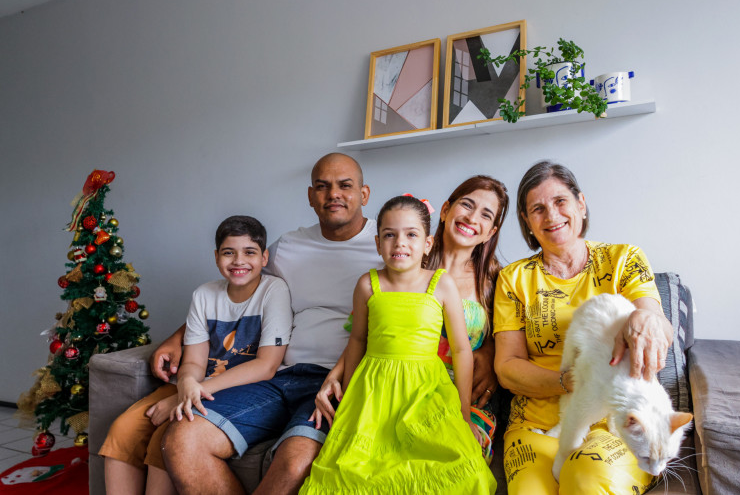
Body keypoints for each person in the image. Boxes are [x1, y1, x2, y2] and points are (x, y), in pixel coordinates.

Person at [157, 153, 382, 495]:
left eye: (345, 185)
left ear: (364, 194)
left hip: (340, 382)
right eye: (322, 186)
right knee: (183, 438)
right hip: (281, 377)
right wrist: (178, 338)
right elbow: (238, 288)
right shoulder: (286, 248)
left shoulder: (388, 245)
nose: (333, 193)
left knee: (296, 462)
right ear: (310, 196)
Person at [493, 161, 674, 495]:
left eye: (561, 201)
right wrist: (569, 381)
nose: (551, 216)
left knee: (587, 482)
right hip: (535, 421)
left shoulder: (623, 258)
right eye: (538, 208)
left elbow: (658, 326)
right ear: (526, 221)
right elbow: (506, 368)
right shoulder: (512, 279)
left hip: (622, 423)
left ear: (581, 203)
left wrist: (647, 319)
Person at [299, 195, 496, 493]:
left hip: (426, 390)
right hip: (374, 390)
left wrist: (463, 411)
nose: (400, 243)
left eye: (411, 235)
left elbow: (460, 349)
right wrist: (351, 397)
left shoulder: (440, 284)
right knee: (352, 471)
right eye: (390, 235)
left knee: (462, 470)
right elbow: (358, 340)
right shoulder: (368, 284)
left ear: (428, 244)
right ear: (378, 244)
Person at [99, 215, 293, 495]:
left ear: (264, 257)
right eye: (229, 252)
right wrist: (185, 385)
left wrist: (188, 394)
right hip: (196, 384)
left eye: (249, 252)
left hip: (236, 389)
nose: (239, 261)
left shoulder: (273, 291)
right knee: (123, 429)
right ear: (216, 257)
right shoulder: (204, 294)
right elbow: (193, 361)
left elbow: (266, 366)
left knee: (164, 437)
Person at [425, 175, 511, 462]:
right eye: (467, 205)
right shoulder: (408, 260)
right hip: (408, 391)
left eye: (485, 215)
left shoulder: (496, 280)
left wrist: (491, 350)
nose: (472, 218)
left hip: (465, 400)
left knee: (458, 457)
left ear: (490, 231)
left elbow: (513, 339)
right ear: (446, 209)